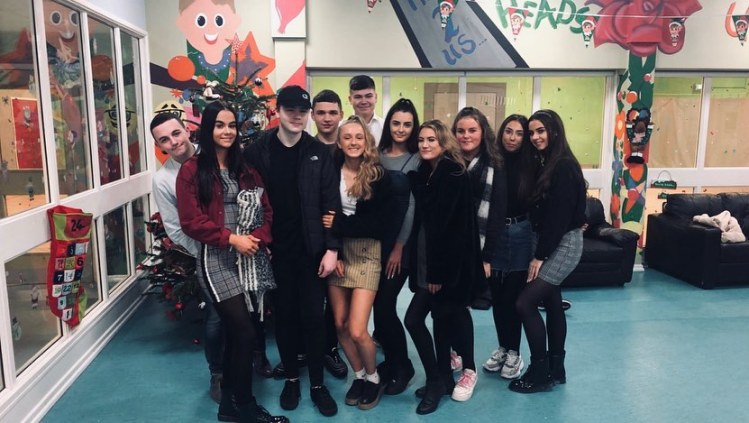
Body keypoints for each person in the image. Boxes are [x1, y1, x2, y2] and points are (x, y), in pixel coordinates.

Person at [176, 101, 287, 423]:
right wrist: (232, 239)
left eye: (231, 126)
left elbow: (267, 211)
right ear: (208, 129)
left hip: (248, 259)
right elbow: (191, 221)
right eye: (219, 125)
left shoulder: (246, 169)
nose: (227, 131)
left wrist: (257, 239)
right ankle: (247, 408)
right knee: (244, 333)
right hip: (216, 260)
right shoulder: (192, 170)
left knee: (240, 334)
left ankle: (228, 407)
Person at [243, 85, 340, 417]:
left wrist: (332, 249)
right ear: (278, 111)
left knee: (313, 317)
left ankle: (317, 385)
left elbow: (331, 202)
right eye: (290, 110)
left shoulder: (318, 152)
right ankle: (292, 379)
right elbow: (247, 202)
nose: (297, 117)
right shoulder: (258, 151)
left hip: (311, 252)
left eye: (302, 111)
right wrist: (260, 242)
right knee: (285, 317)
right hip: (275, 252)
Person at [405, 120, 483, 415]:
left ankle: (440, 379)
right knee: (440, 319)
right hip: (431, 261)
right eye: (421, 140)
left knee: (420, 319)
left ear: (443, 143)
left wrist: (437, 273)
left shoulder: (452, 173)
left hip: (448, 267)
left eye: (431, 140)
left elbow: (451, 230)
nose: (425, 144)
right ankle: (442, 378)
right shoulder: (428, 172)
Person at [509, 109, 586, 394]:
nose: (535, 137)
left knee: (525, 303)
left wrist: (539, 256)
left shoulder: (563, 165)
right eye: (531, 132)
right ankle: (556, 368)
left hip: (561, 243)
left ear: (554, 131)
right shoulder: (546, 162)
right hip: (548, 240)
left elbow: (559, 216)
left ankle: (540, 371)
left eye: (540, 131)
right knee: (552, 303)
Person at [323, 116, 394, 410]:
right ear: (339, 143)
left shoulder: (378, 176)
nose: (353, 142)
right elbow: (322, 214)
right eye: (347, 137)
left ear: (367, 142)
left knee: (356, 329)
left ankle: (374, 378)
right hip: (338, 252)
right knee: (339, 325)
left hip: (367, 253)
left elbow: (379, 226)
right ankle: (360, 375)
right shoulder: (330, 172)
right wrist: (335, 249)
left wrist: (340, 224)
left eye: (359, 137)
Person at [448, 107, 508, 398]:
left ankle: (468, 369)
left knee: (460, 306)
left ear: (483, 132)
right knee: (446, 305)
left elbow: (496, 214)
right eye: (460, 130)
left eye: (472, 130)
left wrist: (486, 257)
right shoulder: (448, 161)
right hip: (449, 246)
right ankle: (454, 353)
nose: (466, 136)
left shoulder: (495, 165)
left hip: (477, 248)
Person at [482, 114, 534, 379]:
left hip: (521, 233)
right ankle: (503, 347)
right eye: (508, 132)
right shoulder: (493, 161)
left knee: (513, 298)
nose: (512, 138)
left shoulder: (532, 164)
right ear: (501, 133)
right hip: (494, 233)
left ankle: (515, 352)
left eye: (519, 133)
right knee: (498, 297)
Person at [374, 98, 420, 395]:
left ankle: (403, 366)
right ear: (388, 124)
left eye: (407, 124)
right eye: (396, 123)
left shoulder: (417, 158)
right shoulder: (377, 156)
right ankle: (391, 361)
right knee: (379, 309)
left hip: (401, 246)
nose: (401, 129)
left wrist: (399, 246)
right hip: (375, 242)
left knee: (384, 305)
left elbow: (412, 207)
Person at [312, 89, 349, 380]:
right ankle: (307, 349)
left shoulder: (349, 148)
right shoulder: (305, 148)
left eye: (332, 112)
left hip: (345, 238)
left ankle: (330, 349)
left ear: (341, 114)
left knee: (337, 302)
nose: (327, 118)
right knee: (311, 298)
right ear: (312, 115)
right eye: (321, 112)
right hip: (311, 236)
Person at [348, 75, 383, 144]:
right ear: (350, 100)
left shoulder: (385, 127)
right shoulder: (341, 128)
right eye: (358, 97)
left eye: (368, 96)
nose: (364, 102)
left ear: (376, 97)